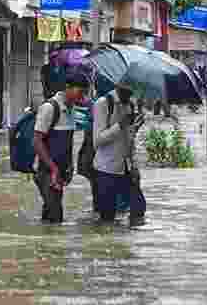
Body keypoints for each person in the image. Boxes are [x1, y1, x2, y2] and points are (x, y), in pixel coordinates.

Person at [32, 72, 89, 223]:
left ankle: (43, 244)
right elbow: (37, 141)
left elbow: (67, 144)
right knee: (56, 217)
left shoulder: (71, 110)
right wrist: (53, 168)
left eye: (85, 93)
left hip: (59, 173)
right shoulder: (49, 108)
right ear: (68, 88)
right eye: (80, 92)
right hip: (47, 172)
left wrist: (69, 167)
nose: (82, 97)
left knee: (50, 216)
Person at [92, 82, 147, 226]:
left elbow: (129, 140)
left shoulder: (130, 105)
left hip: (126, 169)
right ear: (118, 84)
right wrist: (120, 125)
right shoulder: (103, 104)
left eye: (132, 91)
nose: (130, 94)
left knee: (139, 210)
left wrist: (134, 127)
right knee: (107, 218)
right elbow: (97, 140)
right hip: (106, 170)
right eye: (127, 91)